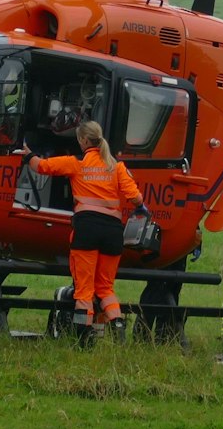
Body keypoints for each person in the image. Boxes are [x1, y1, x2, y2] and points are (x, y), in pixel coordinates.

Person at [23, 121, 144, 341]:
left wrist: (27, 153)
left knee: (84, 290)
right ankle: (118, 327)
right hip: (113, 233)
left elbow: (41, 166)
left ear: (84, 141)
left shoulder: (75, 163)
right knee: (106, 289)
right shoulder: (117, 166)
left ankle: (82, 337)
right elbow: (136, 198)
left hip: (87, 231)